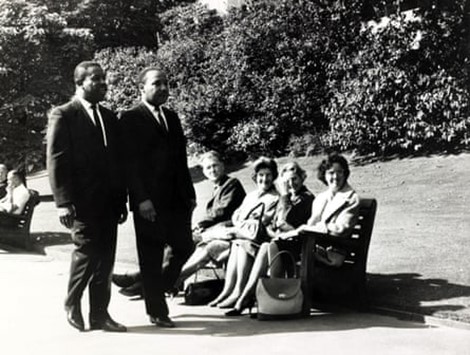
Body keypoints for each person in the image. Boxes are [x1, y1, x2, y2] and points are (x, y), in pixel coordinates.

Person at [46, 61, 128, 332]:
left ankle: (100, 314)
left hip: (108, 203)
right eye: (96, 79)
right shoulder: (64, 115)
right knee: (86, 254)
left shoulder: (108, 116)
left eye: (104, 79)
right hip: (81, 203)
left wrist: (121, 200)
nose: (103, 83)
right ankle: (72, 303)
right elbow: (56, 161)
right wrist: (62, 203)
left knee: (106, 258)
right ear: (79, 83)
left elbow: (116, 162)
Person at [119, 67, 196, 328]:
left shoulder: (172, 117)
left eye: (166, 83)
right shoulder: (130, 118)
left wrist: (190, 193)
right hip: (149, 203)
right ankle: (157, 310)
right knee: (151, 256)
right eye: (156, 83)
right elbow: (129, 165)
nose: (163, 87)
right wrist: (141, 199)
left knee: (185, 246)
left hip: (177, 201)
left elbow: (181, 161)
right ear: (142, 87)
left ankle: (147, 286)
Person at [113, 150, 246, 296]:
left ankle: (142, 279)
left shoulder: (232, 184)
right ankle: (145, 281)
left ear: (222, 165)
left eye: (215, 165)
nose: (212, 170)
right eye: (208, 168)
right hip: (212, 232)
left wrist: (200, 225)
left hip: (226, 233)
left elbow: (221, 211)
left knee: (180, 242)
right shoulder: (219, 186)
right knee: (174, 242)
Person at [224, 162, 314, 316]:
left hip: (299, 246)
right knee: (265, 245)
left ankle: (248, 299)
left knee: (268, 246)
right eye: (286, 181)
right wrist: (274, 231)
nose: (291, 184)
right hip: (280, 243)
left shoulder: (306, 198)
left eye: (295, 179)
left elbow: (287, 219)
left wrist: (284, 196)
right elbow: (274, 224)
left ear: (303, 178)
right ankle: (252, 298)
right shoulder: (287, 197)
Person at [208, 157, 280, 308]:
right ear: (255, 177)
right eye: (261, 175)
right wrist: (243, 220)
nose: (264, 179)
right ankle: (228, 291)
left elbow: (264, 220)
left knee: (240, 243)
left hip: (259, 239)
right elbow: (236, 215)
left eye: (268, 175)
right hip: (243, 235)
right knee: (237, 244)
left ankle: (238, 292)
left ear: (273, 176)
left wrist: (243, 220)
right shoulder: (251, 196)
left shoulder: (275, 198)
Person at [297, 152, 360, 267]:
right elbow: (312, 222)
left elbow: (341, 230)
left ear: (345, 174)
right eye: (331, 173)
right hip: (314, 245)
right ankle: (263, 284)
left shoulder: (351, 198)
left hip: (333, 251)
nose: (335, 177)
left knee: (283, 249)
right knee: (272, 246)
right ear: (324, 175)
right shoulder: (321, 198)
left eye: (339, 172)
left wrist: (317, 228)